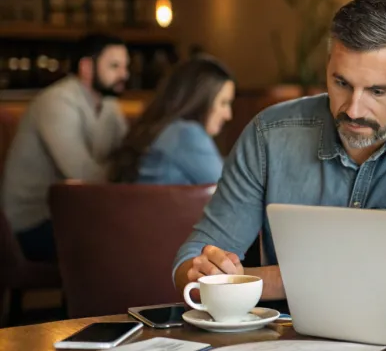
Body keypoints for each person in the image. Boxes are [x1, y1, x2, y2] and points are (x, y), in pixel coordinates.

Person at [172, 0, 386, 298]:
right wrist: (201, 273)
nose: (353, 109)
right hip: (287, 339)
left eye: (377, 92)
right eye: (341, 83)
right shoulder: (269, 135)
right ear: (328, 67)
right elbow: (192, 264)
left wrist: (258, 281)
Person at [1, 33, 130, 262]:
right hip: (29, 223)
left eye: (125, 66)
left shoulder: (108, 103)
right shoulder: (57, 102)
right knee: (121, 242)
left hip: (69, 215)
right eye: (114, 66)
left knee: (131, 233)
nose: (124, 75)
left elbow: (128, 153)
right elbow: (83, 175)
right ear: (87, 67)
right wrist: (129, 174)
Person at [107, 56, 235, 185]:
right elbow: (234, 194)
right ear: (198, 100)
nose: (228, 115)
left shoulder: (169, 130)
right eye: (223, 103)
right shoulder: (186, 134)